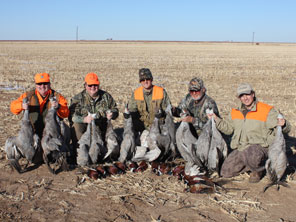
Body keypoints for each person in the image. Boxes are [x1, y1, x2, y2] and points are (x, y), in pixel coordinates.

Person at [207, 83, 291, 183]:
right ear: (239, 98)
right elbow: (228, 129)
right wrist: (216, 119)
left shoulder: (266, 110)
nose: (245, 98)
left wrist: (284, 124)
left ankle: (258, 170)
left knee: (251, 153)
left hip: (261, 147)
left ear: (253, 94)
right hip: (242, 147)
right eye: (242, 96)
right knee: (226, 172)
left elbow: (286, 128)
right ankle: (251, 165)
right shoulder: (234, 112)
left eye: (247, 94)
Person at [10, 72, 69, 138]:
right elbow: (13, 108)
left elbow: (66, 114)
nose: (42, 86)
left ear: (49, 84)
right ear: (36, 85)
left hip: (51, 132)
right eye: (39, 84)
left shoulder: (57, 97)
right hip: (33, 132)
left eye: (45, 83)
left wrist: (58, 106)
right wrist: (22, 106)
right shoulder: (28, 95)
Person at [69, 72, 119, 146]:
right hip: (85, 129)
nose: (93, 87)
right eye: (90, 85)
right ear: (85, 85)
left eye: (95, 85)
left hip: (101, 128)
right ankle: (78, 149)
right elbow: (71, 116)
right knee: (76, 125)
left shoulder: (106, 96)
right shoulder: (78, 99)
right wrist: (84, 119)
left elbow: (115, 110)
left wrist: (112, 114)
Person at [128, 68, 172, 135]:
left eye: (147, 79)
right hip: (143, 128)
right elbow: (131, 110)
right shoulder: (136, 93)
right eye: (142, 80)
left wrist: (162, 113)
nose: (145, 81)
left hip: (159, 127)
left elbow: (168, 111)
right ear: (140, 81)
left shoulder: (161, 92)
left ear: (151, 79)